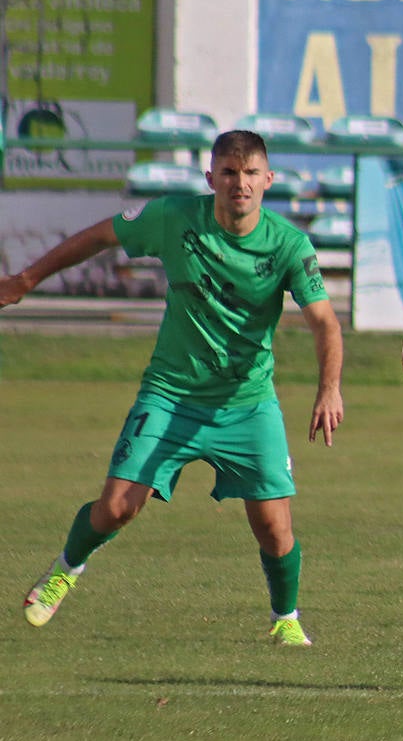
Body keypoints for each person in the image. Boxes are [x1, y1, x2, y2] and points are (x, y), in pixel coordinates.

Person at [0, 129, 344, 647]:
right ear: (211, 178)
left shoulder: (289, 245)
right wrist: (27, 279)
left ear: (269, 180)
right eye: (229, 172)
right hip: (170, 396)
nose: (240, 184)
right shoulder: (174, 218)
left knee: (275, 529)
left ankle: (286, 619)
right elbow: (99, 237)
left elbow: (324, 323)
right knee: (117, 507)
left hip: (247, 405)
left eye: (251, 173)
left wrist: (329, 387)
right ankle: (63, 572)